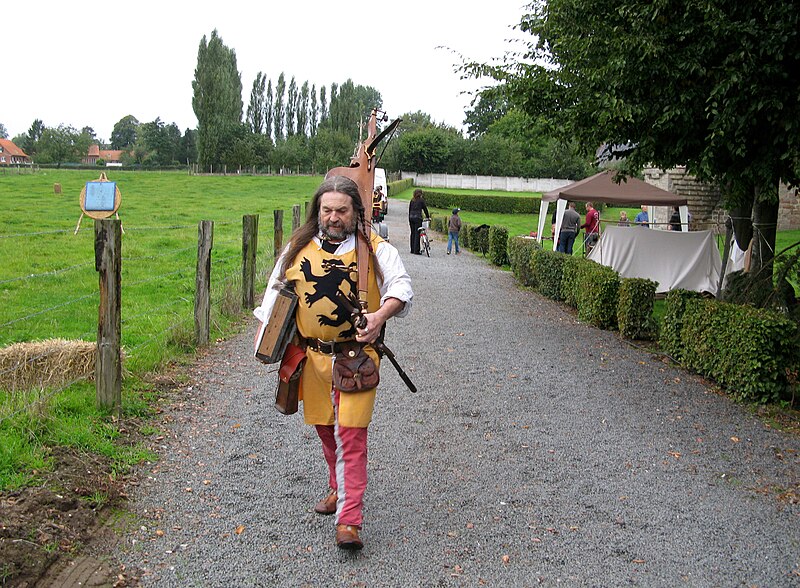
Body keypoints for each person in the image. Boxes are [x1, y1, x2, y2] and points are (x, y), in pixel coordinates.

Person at [254, 176, 413, 550]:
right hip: (311, 358)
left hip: (356, 360)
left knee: (351, 436)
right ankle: (338, 488)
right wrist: (266, 340)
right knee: (327, 430)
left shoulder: (374, 249)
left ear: (356, 212)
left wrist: (378, 317)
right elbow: (273, 296)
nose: (334, 217)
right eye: (327, 210)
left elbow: (402, 288)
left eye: (342, 210)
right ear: (318, 211)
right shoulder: (297, 249)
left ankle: (350, 519)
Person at [408, 189, 430, 255]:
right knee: (417, 234)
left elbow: (410, 209)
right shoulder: (421, 200)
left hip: (411, 217)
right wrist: (428, 216)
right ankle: (416, 250)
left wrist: (409, 217)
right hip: (418, 218)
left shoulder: (412, 200)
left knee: (412, 233)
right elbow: (425, 209)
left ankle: (412, 249)